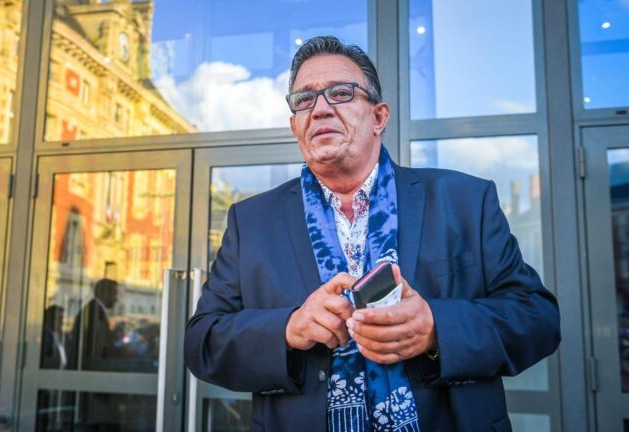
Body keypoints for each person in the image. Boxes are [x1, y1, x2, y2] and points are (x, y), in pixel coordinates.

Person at [184, 35, 560, 431]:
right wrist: (289, 329)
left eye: (341, 93)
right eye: (304, 100)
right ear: (295, 125)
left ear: (379, 117)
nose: (320, 109)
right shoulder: (251, 221)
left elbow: (537, 318)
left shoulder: (465, 201)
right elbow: (201, 343)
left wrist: (436, 327)